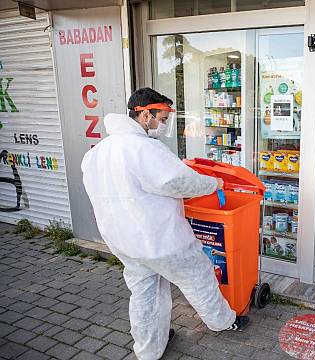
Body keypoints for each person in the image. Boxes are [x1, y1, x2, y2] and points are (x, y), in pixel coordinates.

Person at [81, 88, 248, 360]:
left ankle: (149, 349)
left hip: (122, 240)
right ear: (145, 114)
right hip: (159, 240)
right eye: (163, 117)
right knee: (198, 275)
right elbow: (175, 181)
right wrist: (212, 183)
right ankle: (223, 322)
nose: (164, 124)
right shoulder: (144, 148)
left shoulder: (97, 152)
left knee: (145, 292)